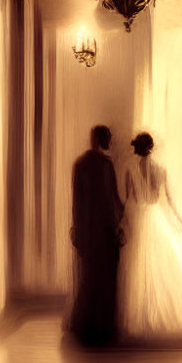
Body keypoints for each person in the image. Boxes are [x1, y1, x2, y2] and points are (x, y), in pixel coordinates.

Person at [117, 132, 182, 345]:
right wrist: (179, 221)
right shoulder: (160, 170)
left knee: (137, 268)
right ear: (151, 148)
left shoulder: (130, 169)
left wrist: (124, 223)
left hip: (140, 218)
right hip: (156, 218)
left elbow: (128, 200)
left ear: (136, 148)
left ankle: (140, 317)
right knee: (161, 266)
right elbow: (168, 200)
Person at [68, 125, 126, 346]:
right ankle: (103, 327)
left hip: (87, 229)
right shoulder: (105, 165)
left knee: (89, 276)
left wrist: (77, 228)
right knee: (106, 279)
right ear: (102, 140)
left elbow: (76, 202)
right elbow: (113, 200)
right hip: (103, 230)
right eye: (108, 138)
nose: (110, 142)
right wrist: (123, 220)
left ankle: (85, 325)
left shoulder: (80, 164)